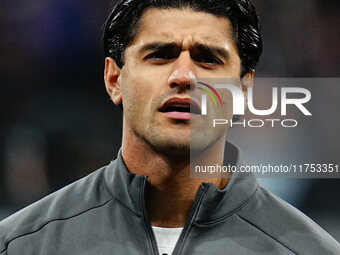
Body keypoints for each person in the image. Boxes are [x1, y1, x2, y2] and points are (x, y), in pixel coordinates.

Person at [1, 0, 339, 254]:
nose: (184, 76)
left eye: (208, 58)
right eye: (160, 55)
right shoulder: (23, 244)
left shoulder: (310, 251)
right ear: (114, 79)